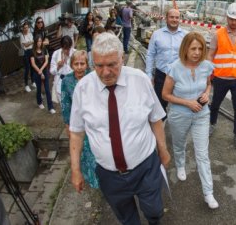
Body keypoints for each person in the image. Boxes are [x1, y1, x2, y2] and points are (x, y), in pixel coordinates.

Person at [69, 32, 171, 224]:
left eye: (112, 65)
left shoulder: (140, 80)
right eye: (99, 66)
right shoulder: (82, 89)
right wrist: (75, 170)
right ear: (92, 63)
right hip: (109, 175)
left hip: (145, 167)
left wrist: (163, 150)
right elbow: (76, 133)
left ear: (122, 59)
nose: (105, 72)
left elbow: (155, 118)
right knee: (127, 218)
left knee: (155, 210)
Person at [162, 32, 219, 209]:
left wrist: (207, 93)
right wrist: (187, 102)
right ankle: (180, 165)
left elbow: (209, 84)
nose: (196, 52)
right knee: (179, 145)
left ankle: (208, 192)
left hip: (202, 114)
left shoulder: (206, 66)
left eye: (200, 48)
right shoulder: (174, 68)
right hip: (179, 114)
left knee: (202, 154)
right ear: (185, 48)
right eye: (193, 48)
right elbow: (165, 94)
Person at [207, 2, 236, 149]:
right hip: (220, 78)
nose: (233, 22)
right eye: (231, 19)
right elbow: (210, 55)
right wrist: (208, 73)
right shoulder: (218, 34)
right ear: (226, 17)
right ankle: (212, 124)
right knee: (215, 105)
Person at [61, 50, 99, 189]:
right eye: (76, 64)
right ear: (71, 65)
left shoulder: (94, 77)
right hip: (77, 122)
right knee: (83, 153)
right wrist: (68, 125)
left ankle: (99, 179)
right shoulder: (67, 81)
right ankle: (89, 177)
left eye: (82, 63)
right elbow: (65, 105)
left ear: (87, 64)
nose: (79, 67)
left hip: (93, 121)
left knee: (95, 151)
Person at [145, 8, 187, 116]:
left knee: (179, 106)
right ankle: (161, 128)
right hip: (161, 76)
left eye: (177, 17)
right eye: (172, 17)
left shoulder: (186, 36)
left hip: (179, 77)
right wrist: (149, 75)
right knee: (159, 106)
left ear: (180, 19)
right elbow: (150, 55)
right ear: (166, 18)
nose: (174, 20)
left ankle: (177, 127)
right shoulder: (157, 34)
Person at [30, 34, 55, 114]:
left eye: (40, 41)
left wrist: (42, 70)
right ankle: (39, 102)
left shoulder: (44, 49)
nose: (39, 43)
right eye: (37, 41)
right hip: (36, 72)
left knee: (47, 89)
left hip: (44, 71)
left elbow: (47, 61)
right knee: (39, 89)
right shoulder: (32, 51)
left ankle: (50, 107)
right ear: (35, 42)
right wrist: (39, 71)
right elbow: (33, 64)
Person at [50, 36, 74, 103]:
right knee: (64, 106)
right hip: (61, 83)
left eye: (68, 48)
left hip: (73, 82)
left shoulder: (75, 53)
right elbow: (52, 71)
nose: (66, 51)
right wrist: (58, 67)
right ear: (62, 46)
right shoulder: (56, 54)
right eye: (64, 48)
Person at [19, 21, 34, 92]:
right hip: (25, 53)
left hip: (31, 51)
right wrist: (30, 42)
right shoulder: (22, 36)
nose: (26, 29)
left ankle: (33, 82)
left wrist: (29, 43)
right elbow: (25, 45)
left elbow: (31, 43)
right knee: (27, 69)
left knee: (32, 67)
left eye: (27, 27)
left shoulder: (30, 34)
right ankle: (26, 85)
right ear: (22, 28)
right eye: (24, 28)